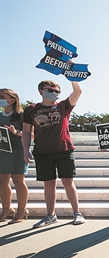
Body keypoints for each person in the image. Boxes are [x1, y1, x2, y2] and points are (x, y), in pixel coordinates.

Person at [22, 80, 85, 228]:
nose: (54, 93)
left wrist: (72, 77)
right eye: (50, 90)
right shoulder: (30, 109)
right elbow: (26, 131)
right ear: (41, 91)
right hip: (43, 152)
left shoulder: (63, 106)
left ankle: (77, 213)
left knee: (68, 182)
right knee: (48, 184)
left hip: (64, 149)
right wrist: (26, 149)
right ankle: (50, 216)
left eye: (57, 91)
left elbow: (78, 92)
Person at [0, 88, 29, 224]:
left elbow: (32, 135)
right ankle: (6, 209)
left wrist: (16, 132)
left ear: (12, 99)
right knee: (2, 182)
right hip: (2, 152)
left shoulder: (23, 115)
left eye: (2, 96)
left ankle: (21, 211)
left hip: (18, 151)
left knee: (18, 181)